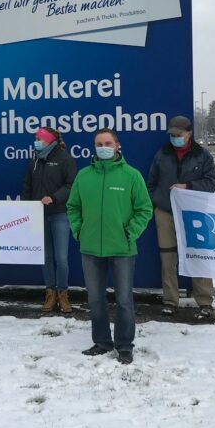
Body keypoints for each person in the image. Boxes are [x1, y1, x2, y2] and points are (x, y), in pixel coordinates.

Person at [67, 129, 152, 364]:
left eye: (107, 143)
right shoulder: (84, 176)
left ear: (117, 146)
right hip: (91, 248)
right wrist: (79, 230)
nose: (103, 147)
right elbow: (73, 206)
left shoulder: (131, 176)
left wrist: (129, 232)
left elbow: (144, 209)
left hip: (122, 249)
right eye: (98, 143)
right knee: (95, 299)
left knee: (124, 300)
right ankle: (102, 342)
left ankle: (124, 345)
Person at [147, 115, 215, 318]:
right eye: (172, 134)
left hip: (192, 214)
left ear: (189, 134)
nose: (174, 138)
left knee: (197, 255)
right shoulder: (162, 154)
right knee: (167, 256)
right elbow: (151, 183)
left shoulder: (202, 156)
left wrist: (188, 187)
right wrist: (158, 201)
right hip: (165, 213)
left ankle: (204, 300)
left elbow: (211, 183)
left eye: (178, 134)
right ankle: (170, 300)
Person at [22, 127, 77, 313]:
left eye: (39, 138)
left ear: (49, 141)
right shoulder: (35, 160)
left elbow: (71, 185)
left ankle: (63, 294)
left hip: (60, 214)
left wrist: (54, 197)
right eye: (35, 138)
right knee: (45, 257)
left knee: (61, 258)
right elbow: (27, 186)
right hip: (39, 216)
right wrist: (27, 207)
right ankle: (50, 293)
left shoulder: (65, 159)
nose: (36, 141)